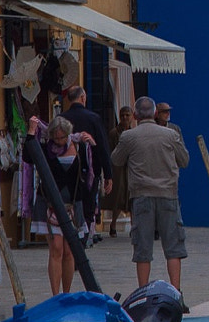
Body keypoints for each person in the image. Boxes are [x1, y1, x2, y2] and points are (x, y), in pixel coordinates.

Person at [112, 96, 189, 290]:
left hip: (141, 195)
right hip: (168, 194)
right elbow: (184, 160)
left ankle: (143, 292)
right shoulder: (170, 134)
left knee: (143, 248)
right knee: (173, 248)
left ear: (135, 115)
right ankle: (176, 292)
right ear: (155, 113)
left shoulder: (129, 136)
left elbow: (116, 159)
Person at [39, 114, 99, 294]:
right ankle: (55, 294)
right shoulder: (45, 149)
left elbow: (91, 168)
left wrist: (92, 144)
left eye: (62, 137)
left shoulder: (79, 146)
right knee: (56, 247)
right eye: (55, 138)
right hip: (52, 203)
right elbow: (28, 156)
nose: (58, 141)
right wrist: (31, 132)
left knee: (69, 249)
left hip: (74, 202)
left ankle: (66, 292)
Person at [61, 87, 111, 244]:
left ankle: (71, 239)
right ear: (83, 98)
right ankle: (83, 241)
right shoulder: (93, 118)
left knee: (70, 206)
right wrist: (108, 174)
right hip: (90, 171)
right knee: (88, 206)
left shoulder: (61, 118)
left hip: (65, 171)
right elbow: (102, 147)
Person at [105, 103, 137, 234]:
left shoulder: (135, 133)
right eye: (122, 115)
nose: (124, 118)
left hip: (132, 170)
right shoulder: (114, 133)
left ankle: (134, 227)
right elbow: (110, 151)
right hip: (118, 170)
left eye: (127, 115)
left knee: (132, 200)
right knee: (118, 199)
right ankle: (113, 225)